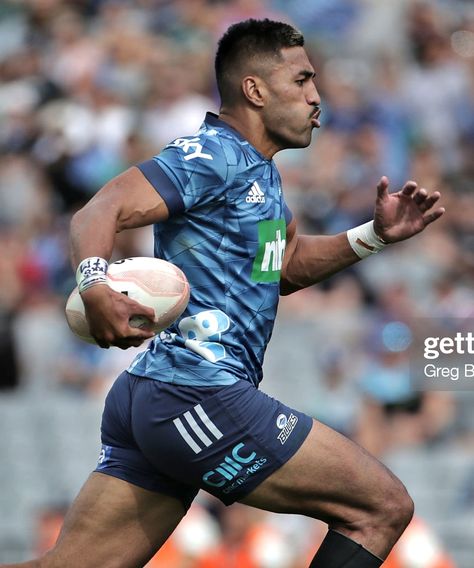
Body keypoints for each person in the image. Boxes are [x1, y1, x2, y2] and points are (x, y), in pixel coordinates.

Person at [4, 18, 445, 568]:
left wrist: (373, 236)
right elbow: (102, 208)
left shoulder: (260, 173)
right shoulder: (212, 155)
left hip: (158, 393)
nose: (316, 96)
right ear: (255, 90)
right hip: (200, 392)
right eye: (303, 80)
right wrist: (93, 283)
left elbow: (279, 266)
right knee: (380, 507)